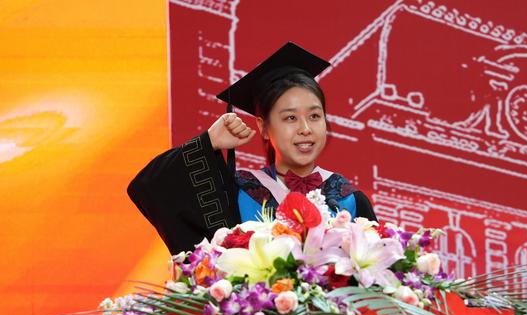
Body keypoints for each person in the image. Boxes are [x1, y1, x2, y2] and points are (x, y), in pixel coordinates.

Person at [128, 42, 377, 254]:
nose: (305, 129)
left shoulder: (350, 199)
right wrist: (209, 140)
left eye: (314, 116)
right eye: (290, 118)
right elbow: (150, 186)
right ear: (263, 127)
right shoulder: (238, 192)